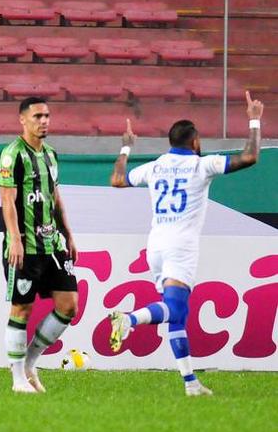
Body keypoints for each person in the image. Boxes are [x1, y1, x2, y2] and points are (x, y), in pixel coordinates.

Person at [108, 93, 264, 396]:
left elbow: (116, 179)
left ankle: (190, 383)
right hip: (181, 245)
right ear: (194, 142)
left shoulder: (154, 167)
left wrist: (126, 146)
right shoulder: (201, 165)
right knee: (175, 308)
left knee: (177, 316)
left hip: (155, 244)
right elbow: (250, 157)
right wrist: (254, 119)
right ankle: (128, 319)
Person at [0, 96, 79, 394]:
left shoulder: (51, 155)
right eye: (37, 117)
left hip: (52, 244)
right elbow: (7, 201)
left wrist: (68, 234)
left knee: (69, 305)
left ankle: (30, 362)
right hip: (25, 248)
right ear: (23, 120)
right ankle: (18, 379)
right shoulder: (11, 155)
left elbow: (55, 197)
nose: (44, 121)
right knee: (22, 308)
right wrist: (15, 240)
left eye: (47, 116)